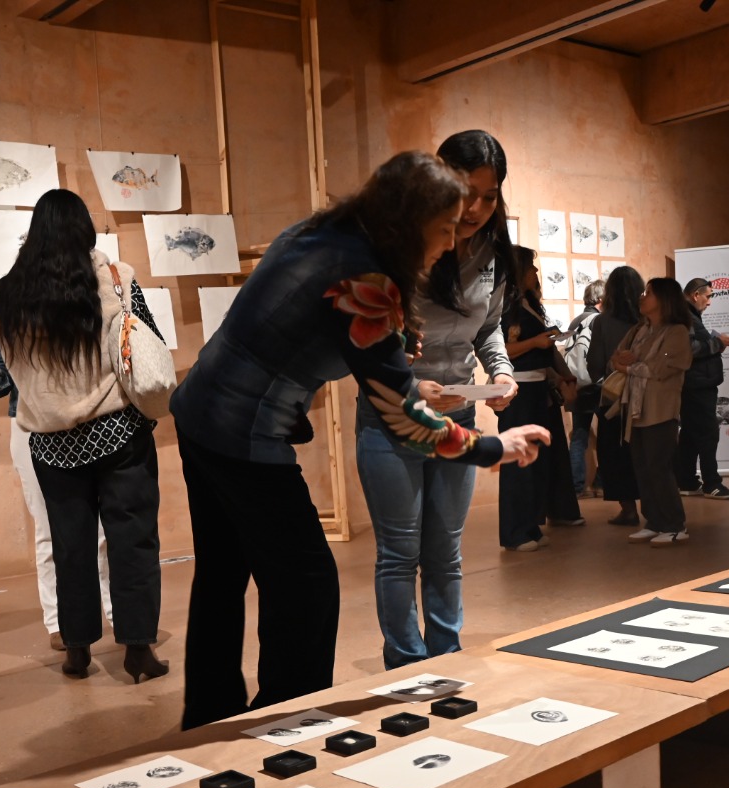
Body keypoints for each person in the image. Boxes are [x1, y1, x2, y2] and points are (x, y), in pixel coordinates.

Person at [170, 151, 550, 728]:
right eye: (445, 228)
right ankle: (285, 721)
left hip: (201, 411)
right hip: (241, 431)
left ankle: (210, 714)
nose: (451, 243)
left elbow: (316, 332)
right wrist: (495, 447)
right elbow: (404, 418)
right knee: (308, 584)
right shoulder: (364, 279)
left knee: (223, 576)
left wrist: (394, 354)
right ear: (409, 221)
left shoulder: (323, 233)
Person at [0, 188, 168, 684]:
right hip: (119, 433)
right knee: (133, 542)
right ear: (84, 229)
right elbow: (147, 341)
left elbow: (4, 379)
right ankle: (138, 650)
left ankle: (76, 651)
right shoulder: (116, 280)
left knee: (71, 546)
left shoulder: (5, 300)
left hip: (52, 445)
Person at [356, 130, 520, 669]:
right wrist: (408, 382)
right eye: (466, 192)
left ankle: (446, 658)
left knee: (446, 551)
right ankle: (407, 664)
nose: (475, 209)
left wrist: (500, 371)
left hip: (460, 412)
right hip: (393, 416)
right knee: (399, 552)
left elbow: (489, 327)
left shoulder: (494, 254)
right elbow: (366, 339)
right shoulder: (399, 248)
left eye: (489, 196)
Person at [0, 332, 113, 652]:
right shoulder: (11, 313)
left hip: (88, 421)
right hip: (31, 424)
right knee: (49, 529)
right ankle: (58, 620)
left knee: (102, 528)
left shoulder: (83, 305)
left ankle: (117, 612)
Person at [498, 245, 583, 551]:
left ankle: (531, 525)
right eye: (531, 267)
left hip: (537, 388)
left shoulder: (528, 304)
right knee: (518, 461)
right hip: (518, 390)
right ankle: (515, 532)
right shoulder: (506, 308)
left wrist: (560, 376)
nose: (536, 273)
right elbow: (504, 350)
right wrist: (535, 342)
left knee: (536, 460)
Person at [610, 277, 694, 546]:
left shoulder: (676, 332)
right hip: (636, 408)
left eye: (649, 293)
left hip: (661, 409)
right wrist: (622, 361)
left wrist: (629, 365)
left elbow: (661, 369)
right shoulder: (639, 329)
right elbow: (616, 356)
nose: (642, 297)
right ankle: (654, 521)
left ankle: (675, 524)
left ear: (665, 299)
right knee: (642, 467)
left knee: (659, 467)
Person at [587, 266, 645, 525]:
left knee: (616, 453)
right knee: (645, 452)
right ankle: (653, 508)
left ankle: (628, 509)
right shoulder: (647, 320)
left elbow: (595, 364)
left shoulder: (602, 322)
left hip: (614, 397)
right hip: (646, 394)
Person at [676, 278, 729, 501]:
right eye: (708, 296)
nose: (709, 302)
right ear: (696, 295)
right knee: (708, 433)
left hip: (695, 384)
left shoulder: (687, 315)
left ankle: (687, 481)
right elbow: (689, 348)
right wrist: (718, 343)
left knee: (690, 434)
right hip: (697, 385)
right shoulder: (686, 316)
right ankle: (712, 483)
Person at [567, 279, 604, 499]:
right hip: (596, 384)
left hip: (577, 384)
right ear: (601, 299)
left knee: (579, 437)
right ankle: (601, 483)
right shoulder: (598, 321)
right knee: (607, 436)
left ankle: (576, 487)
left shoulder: (576, 320)